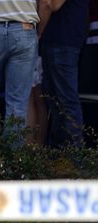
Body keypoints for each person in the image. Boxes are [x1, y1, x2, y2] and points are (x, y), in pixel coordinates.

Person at [0, 0, 51, 132]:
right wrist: (37, 33)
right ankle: (11, 152)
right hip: (25, 29)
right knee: (17, 104)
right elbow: (46, 4)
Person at [41, 0, 90, 148]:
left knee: (65, 101)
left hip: (62, 40)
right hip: (62, 39)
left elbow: (53, 4)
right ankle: (61, 153)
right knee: (56, 101)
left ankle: (75, 156)